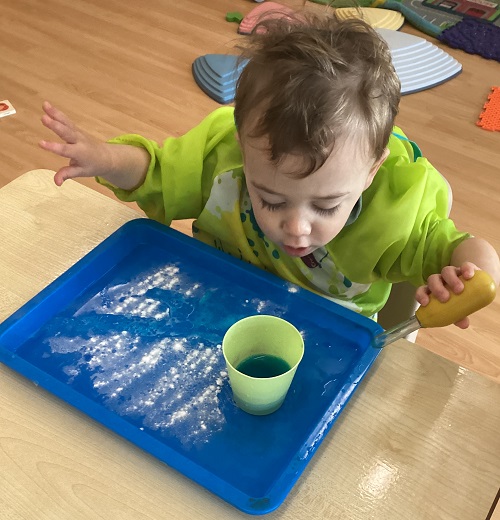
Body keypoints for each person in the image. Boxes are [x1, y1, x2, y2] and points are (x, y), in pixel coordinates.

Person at [39, 12, 499, 328]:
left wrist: (473, 277)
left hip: (326, 345)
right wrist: (105, 159)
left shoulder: (395, 214)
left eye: (327, 204)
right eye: (270, 199)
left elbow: (464, 248)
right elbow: (157, 171)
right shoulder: (225, 158)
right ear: (243, 148)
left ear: (372, 172)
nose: (296, 227)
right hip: (220, 307)